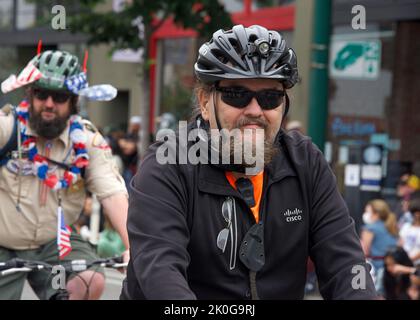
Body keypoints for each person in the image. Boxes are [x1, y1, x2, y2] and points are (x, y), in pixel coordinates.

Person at [121, 24, 377, 299]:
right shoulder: (168, 164)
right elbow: (162, 276)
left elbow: (346, 267)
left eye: (270, 97)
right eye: (236, 94)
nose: (255, 110)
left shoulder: (305, 163)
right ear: (205, 102)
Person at [0, 50, 129, 300]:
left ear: (73, 101)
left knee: (89, 280)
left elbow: (113, 194)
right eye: (41, 93)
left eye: (59, 96)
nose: (49, 103)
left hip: (55, 242)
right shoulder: (7, 129)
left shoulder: (88, 141)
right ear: (30, 94)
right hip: (3, 240)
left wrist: (135, 246)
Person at [360, 199, 399, 295]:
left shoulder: (369, 228)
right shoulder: (392, 226)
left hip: (376, 269)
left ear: (376, 213)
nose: (365, 214)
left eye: (367, 211)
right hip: (393, 267)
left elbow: (364, 251)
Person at [399, 198, 420, 265]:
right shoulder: (406, 226)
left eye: (419, 212)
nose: (417, 215)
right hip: (404, 261)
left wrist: (409, 260)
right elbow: (400, 244)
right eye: (415, 212)